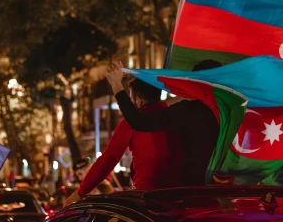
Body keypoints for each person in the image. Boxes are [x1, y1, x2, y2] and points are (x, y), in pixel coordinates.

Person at [64, 78, 181, 206]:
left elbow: (107, 160)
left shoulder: (131, 124)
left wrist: (79, 193)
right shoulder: (175, 117)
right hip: (180, 196)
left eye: (130, 100)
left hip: (148, 201)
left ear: (138, 101)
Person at [106, 59, 222, 186]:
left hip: (194, 192)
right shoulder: (234, 111)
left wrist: (117, 85)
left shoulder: (190, 111)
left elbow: (140, 121)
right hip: (230, 190)